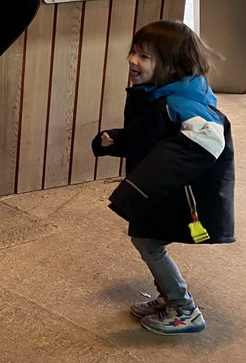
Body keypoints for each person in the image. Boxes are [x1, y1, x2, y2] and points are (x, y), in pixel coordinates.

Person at [92, 20, 235, 335]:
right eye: (133, 52)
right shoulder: (158, 94)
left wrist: (138, 188)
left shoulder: (182, 102)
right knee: (146, 239)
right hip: (165, 192)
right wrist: (118, 140)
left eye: (144, 57)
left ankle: (184, 308)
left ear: (171, 66)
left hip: (185, 196)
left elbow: (210, 138)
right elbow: (152, 136)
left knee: (148, 241)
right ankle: (171, 298)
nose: (133, 61)